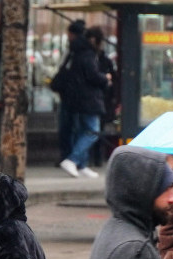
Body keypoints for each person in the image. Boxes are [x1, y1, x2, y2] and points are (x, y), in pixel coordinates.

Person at [56, 25, 110, 179]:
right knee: (93, 131)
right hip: (89, 99)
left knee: (82, 130)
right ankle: (73, 160)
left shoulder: (76, 52)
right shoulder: (87, 54)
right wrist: (105, 78)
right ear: (94, 40)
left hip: (77, 98)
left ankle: (81, 165)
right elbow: (92, 75)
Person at [49, 20, 86, 164]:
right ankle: (74, 158)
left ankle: (69, 157)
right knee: (77, 128)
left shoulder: (73, 50)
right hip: (77, 95)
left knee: (68, 128)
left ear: (72, 34)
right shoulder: (85, 50)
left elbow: (63, 69)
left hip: (69, 95)